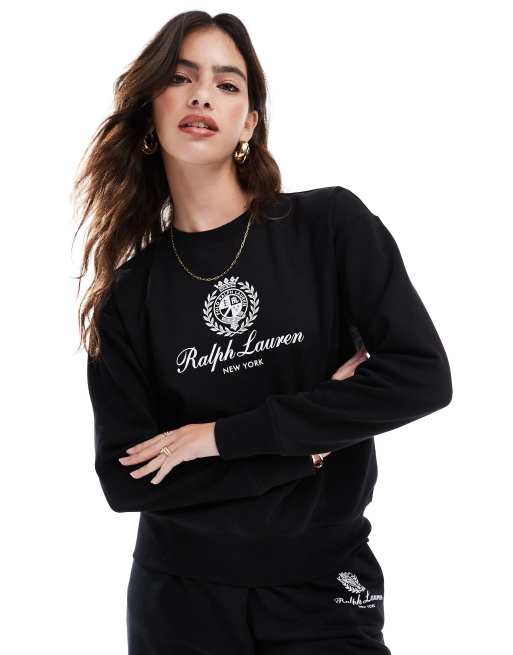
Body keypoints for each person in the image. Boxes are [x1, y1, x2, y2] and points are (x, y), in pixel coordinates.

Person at [74, 10, 452, 655]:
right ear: (149, 112)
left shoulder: (329, 228)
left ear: (249, 123)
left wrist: (216, 440)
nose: (202, 95)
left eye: (227, 84)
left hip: (323, 589)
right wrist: (307, 447)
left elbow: (421, 377)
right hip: (180, 601)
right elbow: (127, 479)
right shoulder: (127, 296)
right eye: (180, 78)